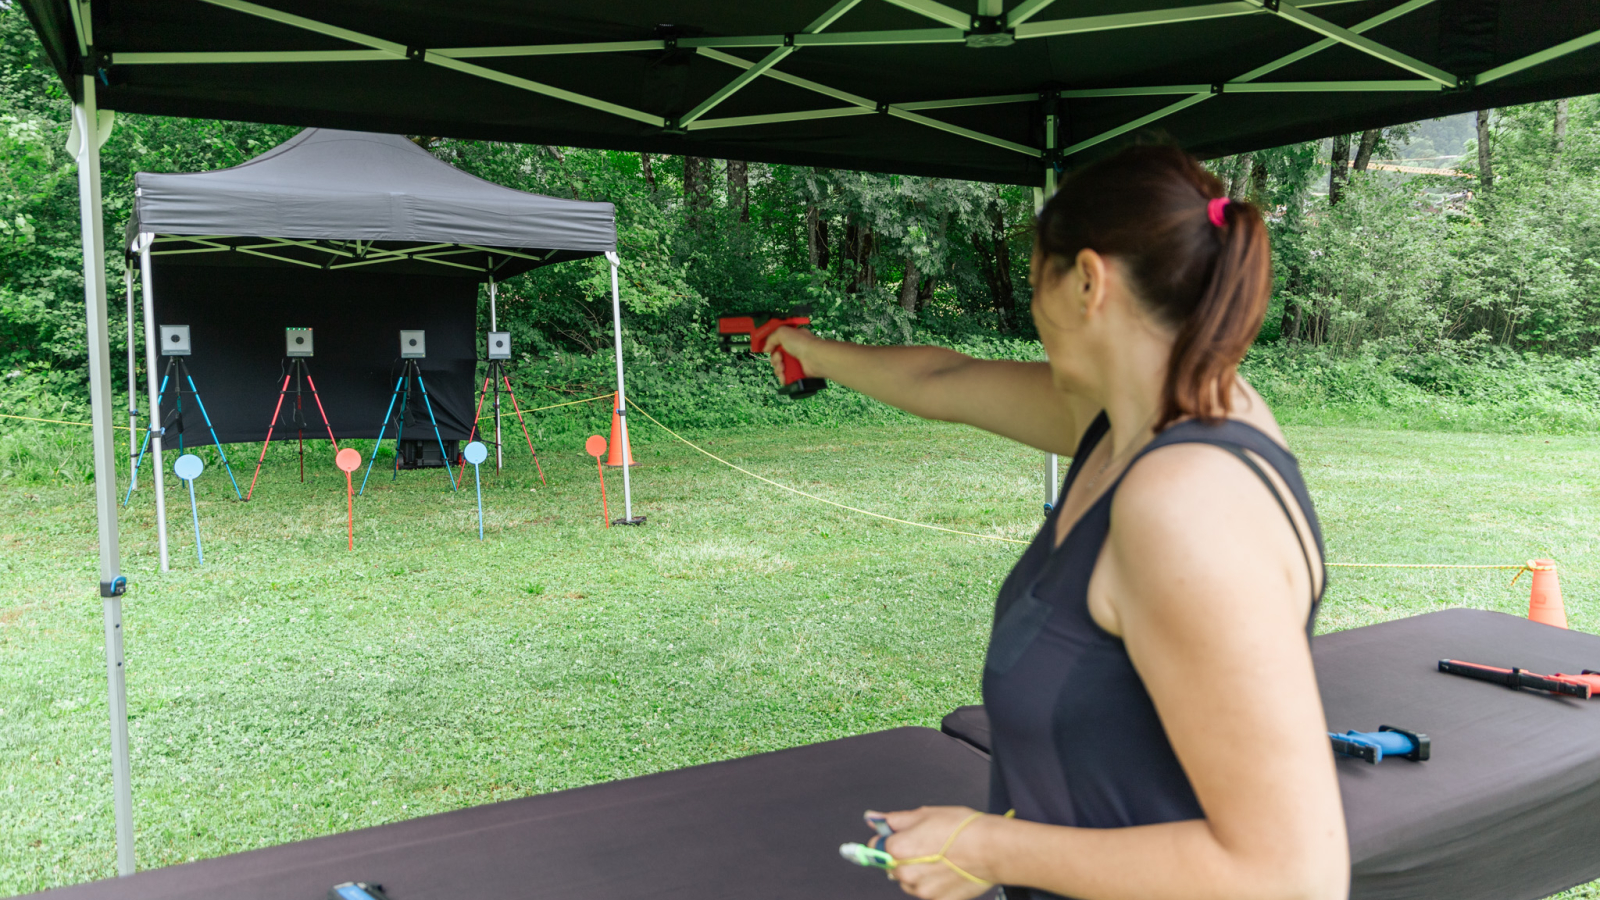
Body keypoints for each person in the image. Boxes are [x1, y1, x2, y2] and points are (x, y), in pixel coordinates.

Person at [763, 145, 1347, 900]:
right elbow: (947, 381)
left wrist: (990, 847)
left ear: (1086, 282)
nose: (1032, 310)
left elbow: (1292, 877)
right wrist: (807, 351)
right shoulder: (1135, 418)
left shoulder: (1187, 503)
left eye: (1035, 280)